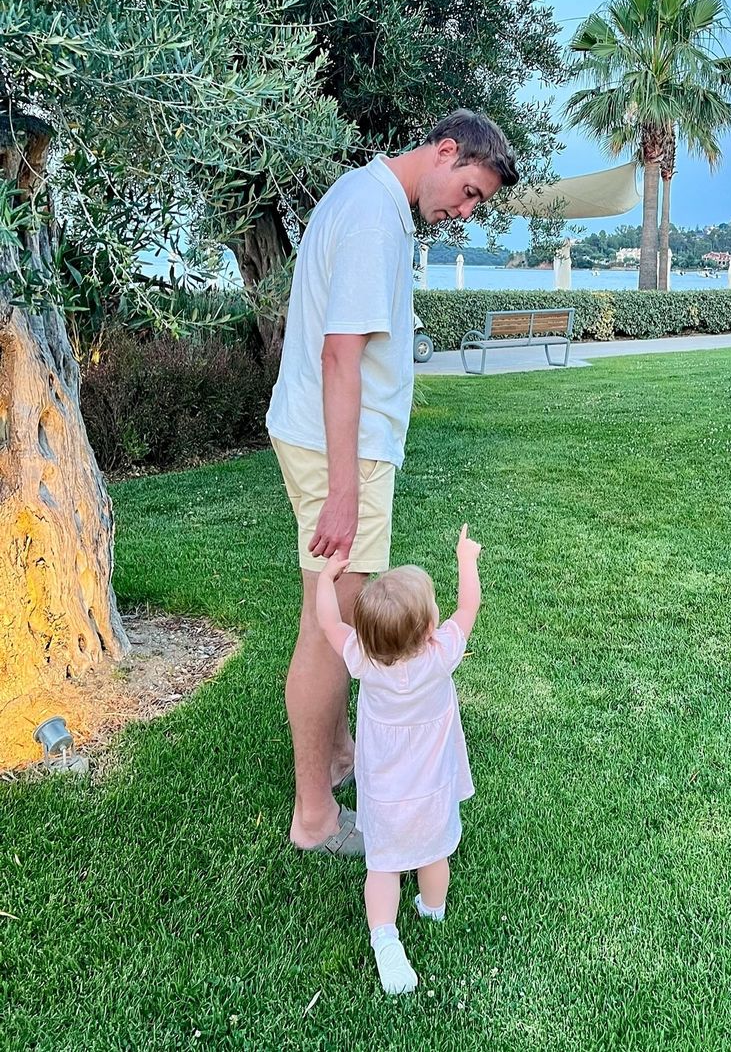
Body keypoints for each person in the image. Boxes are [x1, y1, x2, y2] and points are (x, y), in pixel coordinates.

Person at [266, 111, 517, 853]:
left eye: (477, 204)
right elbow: (341, 357)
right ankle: (313, 817)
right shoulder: (376, 216)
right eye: (469, 191)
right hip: (339, 451)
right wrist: (344, 489)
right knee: (328, 630)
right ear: (445, 151)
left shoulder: (364, 197)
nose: (465, 211)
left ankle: (342, 754)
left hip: (331, 441)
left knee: (331, 610)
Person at [314, 525, 483, 994]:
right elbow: (468, 607)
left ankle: (385, 938)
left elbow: (330, 624)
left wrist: (327, 581)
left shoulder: (362, 660)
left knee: (383, 866)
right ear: (431, 629)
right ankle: (432, 910)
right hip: (433, 789)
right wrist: (465, 559)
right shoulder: (440, 656)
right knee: (434, 854)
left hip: (385, 793)